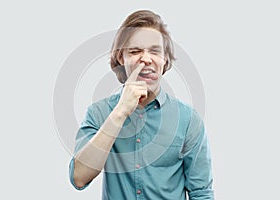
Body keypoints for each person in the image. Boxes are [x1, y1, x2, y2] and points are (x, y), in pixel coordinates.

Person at [69, 10, 214, 200]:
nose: (146, 59)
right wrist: (120, 112)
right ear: (121, 58)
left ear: (165, 59)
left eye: (155, 51)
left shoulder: (188, 120)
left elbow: (201, 193)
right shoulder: (99, 113)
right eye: (135, 51)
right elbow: (79, 178)